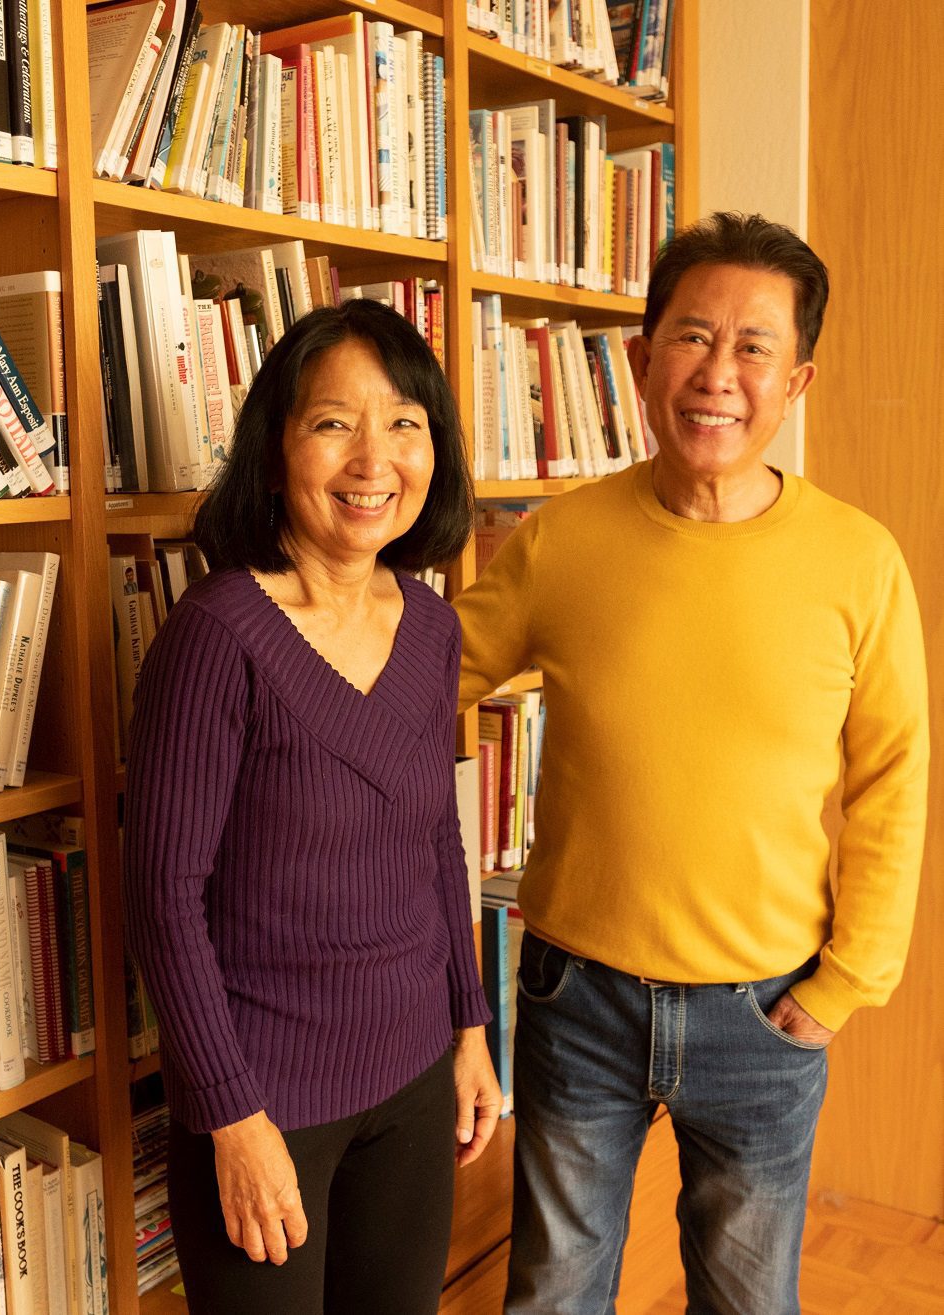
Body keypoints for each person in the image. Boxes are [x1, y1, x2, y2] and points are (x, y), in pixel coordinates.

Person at [453, 212, 929, 1315]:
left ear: (796, 380)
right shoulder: (561, 539)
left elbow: (892, 777)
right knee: (553, 1291)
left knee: (745, 1299)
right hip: (577, 996)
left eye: (753, 346)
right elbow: (426, 683)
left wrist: (840, 987)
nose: (718, 374)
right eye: (690, 337)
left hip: (766, 1007)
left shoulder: (857, 562)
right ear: (638, 357)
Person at [123, 299, 501, 1315]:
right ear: (276, 445)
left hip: (416, 1074)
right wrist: (231, 1117)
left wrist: (470, 1025)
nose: (372, 458)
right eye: (333, 422)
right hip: (267, 1100)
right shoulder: (216, 637)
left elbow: (435, 833)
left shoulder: (428, 623)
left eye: (404, 424)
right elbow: (162, 896)